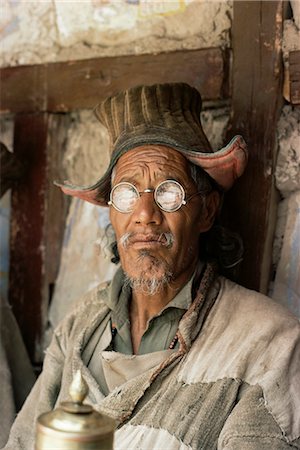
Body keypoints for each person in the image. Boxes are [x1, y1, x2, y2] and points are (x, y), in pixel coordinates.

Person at [3, 83, 300, 449]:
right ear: (111, 213)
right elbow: (21, 442)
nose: (145, 215)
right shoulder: (81, 323)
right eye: (126, 193)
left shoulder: (267, 341)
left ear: (206, 211)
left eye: (169, 192)